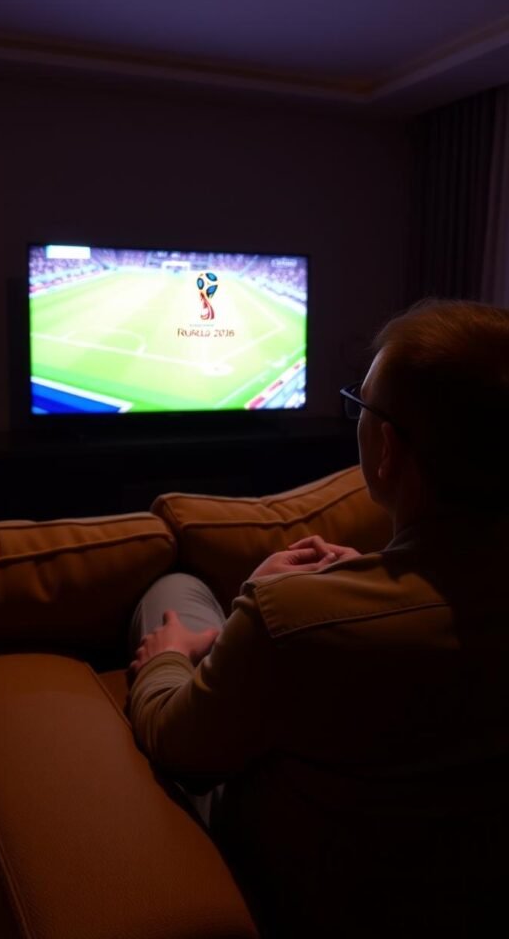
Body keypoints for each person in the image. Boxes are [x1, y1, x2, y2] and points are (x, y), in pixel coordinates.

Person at [127, 299, 509, 938]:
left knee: (174, 587)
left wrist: (175, 653)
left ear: (385, 448)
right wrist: (371, 573)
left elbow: (179, 745)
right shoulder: (303, 616)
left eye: (360, 409)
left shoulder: (290, 620)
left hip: (301, 891)